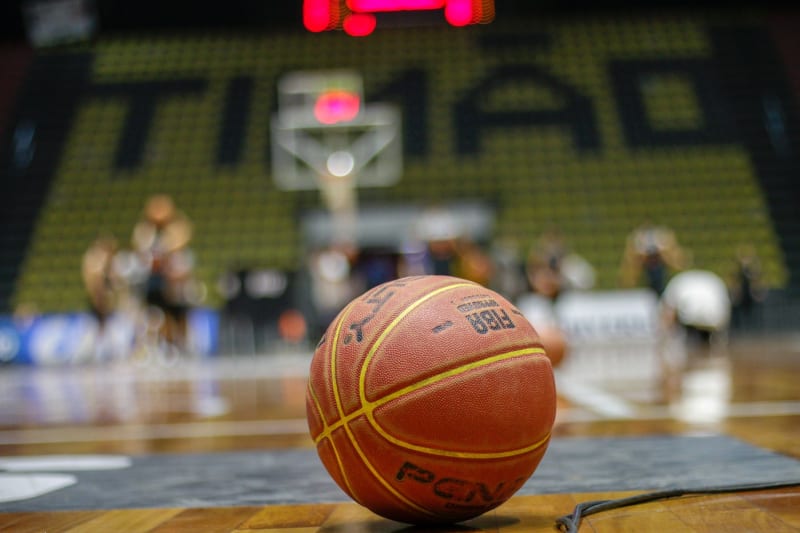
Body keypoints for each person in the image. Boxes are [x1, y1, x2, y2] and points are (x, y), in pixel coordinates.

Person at [131, 194, 198, 353]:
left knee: (180, 314)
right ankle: (160, 346)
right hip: (156, 278)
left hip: (177, 281)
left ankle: (181, 346)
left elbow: (181, 239)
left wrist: (163, 250)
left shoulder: (176, 228)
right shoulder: (145, 230)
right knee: (158, 314)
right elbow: (140, 248)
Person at [620, 219, 686, 295]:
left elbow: (668, 253)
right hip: (650, 268)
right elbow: (634, 259)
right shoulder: (642, 239)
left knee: (659, 286)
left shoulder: (659, 239)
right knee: (652, 288)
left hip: (658, 267)